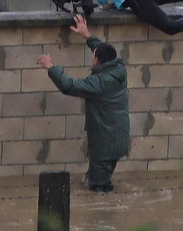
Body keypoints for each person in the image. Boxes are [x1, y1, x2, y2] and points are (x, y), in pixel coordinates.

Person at [38, 15, 130, 192]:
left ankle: (103, 215)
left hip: (104, 142)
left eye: (94, 56)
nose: (93, 57)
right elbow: (103, 50)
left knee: (99, 188)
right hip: (118, 137)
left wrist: (50, 67)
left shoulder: (99, 83)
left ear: (97, 60)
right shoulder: (119, 69)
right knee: (97, 179)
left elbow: (68, 86)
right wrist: (87, 36)